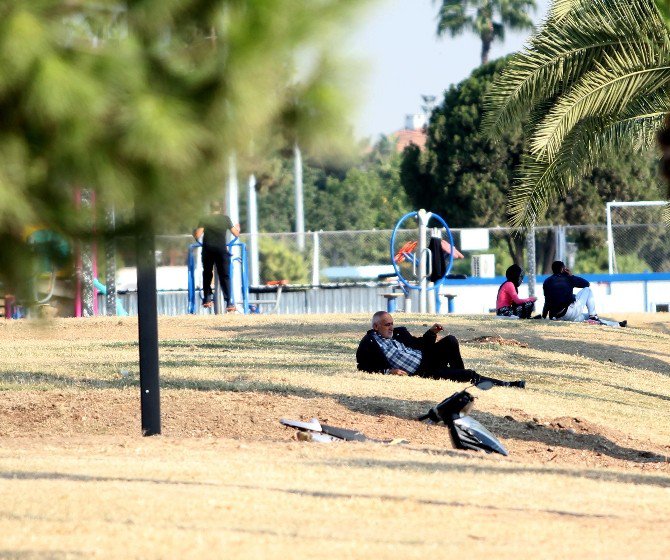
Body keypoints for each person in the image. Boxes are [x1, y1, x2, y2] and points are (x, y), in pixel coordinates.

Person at [356, 311, 484, 383]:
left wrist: (431, 333)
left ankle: (459, 375)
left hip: (426, 357)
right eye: (387, 325)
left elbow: (418, 344)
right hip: (422, 371)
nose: (391, 328)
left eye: (392, 324)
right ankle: (501, 384)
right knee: (470, 374)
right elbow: (363, 367)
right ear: (376, 327)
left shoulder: (398, 333)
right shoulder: (369, 343)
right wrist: (388, 371)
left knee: (450, 340)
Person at [542, 261, 626, 327]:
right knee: (587, 290)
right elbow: (586, 284)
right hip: (569, 313)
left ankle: (616, 324)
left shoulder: (547, 281)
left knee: (585, 316)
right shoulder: (568, 278)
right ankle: (593, 316)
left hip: (558, 316)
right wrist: (571, 275)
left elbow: (547, 301)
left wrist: (544, 316)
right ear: (563, 270)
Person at [193, 204, 240, 311]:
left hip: (208, 250)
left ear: (210, 209)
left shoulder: (205, 219)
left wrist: (194, 232)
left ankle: (207, 298)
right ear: (220, 209)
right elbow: (236, 233)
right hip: (221, 250)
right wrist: (238, 228)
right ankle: (229, 303)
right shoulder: (225, 219)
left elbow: (198, 235)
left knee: (207, 273)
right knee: (225, 275)